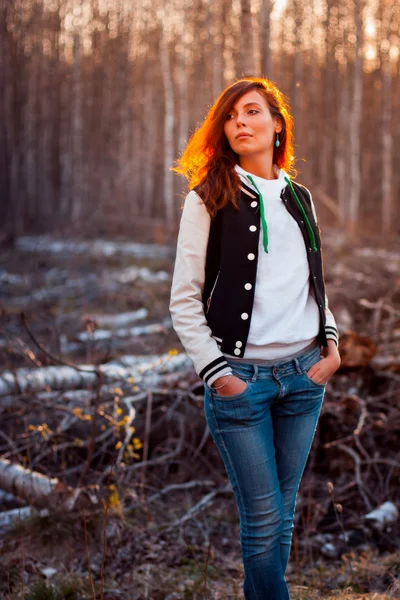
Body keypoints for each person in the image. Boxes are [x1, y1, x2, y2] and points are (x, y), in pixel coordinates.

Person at [169, 77, 341, 600]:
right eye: (229, 116)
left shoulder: (300, 197)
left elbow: (314, 283)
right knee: (264, 517)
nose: (239, 122)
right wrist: (218, 376)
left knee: (281, 514)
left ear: (277, 124)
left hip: (305, 377)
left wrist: (330, 345)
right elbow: (183, 299)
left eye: (250, 112)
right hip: (241, 384)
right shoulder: (209, 198)